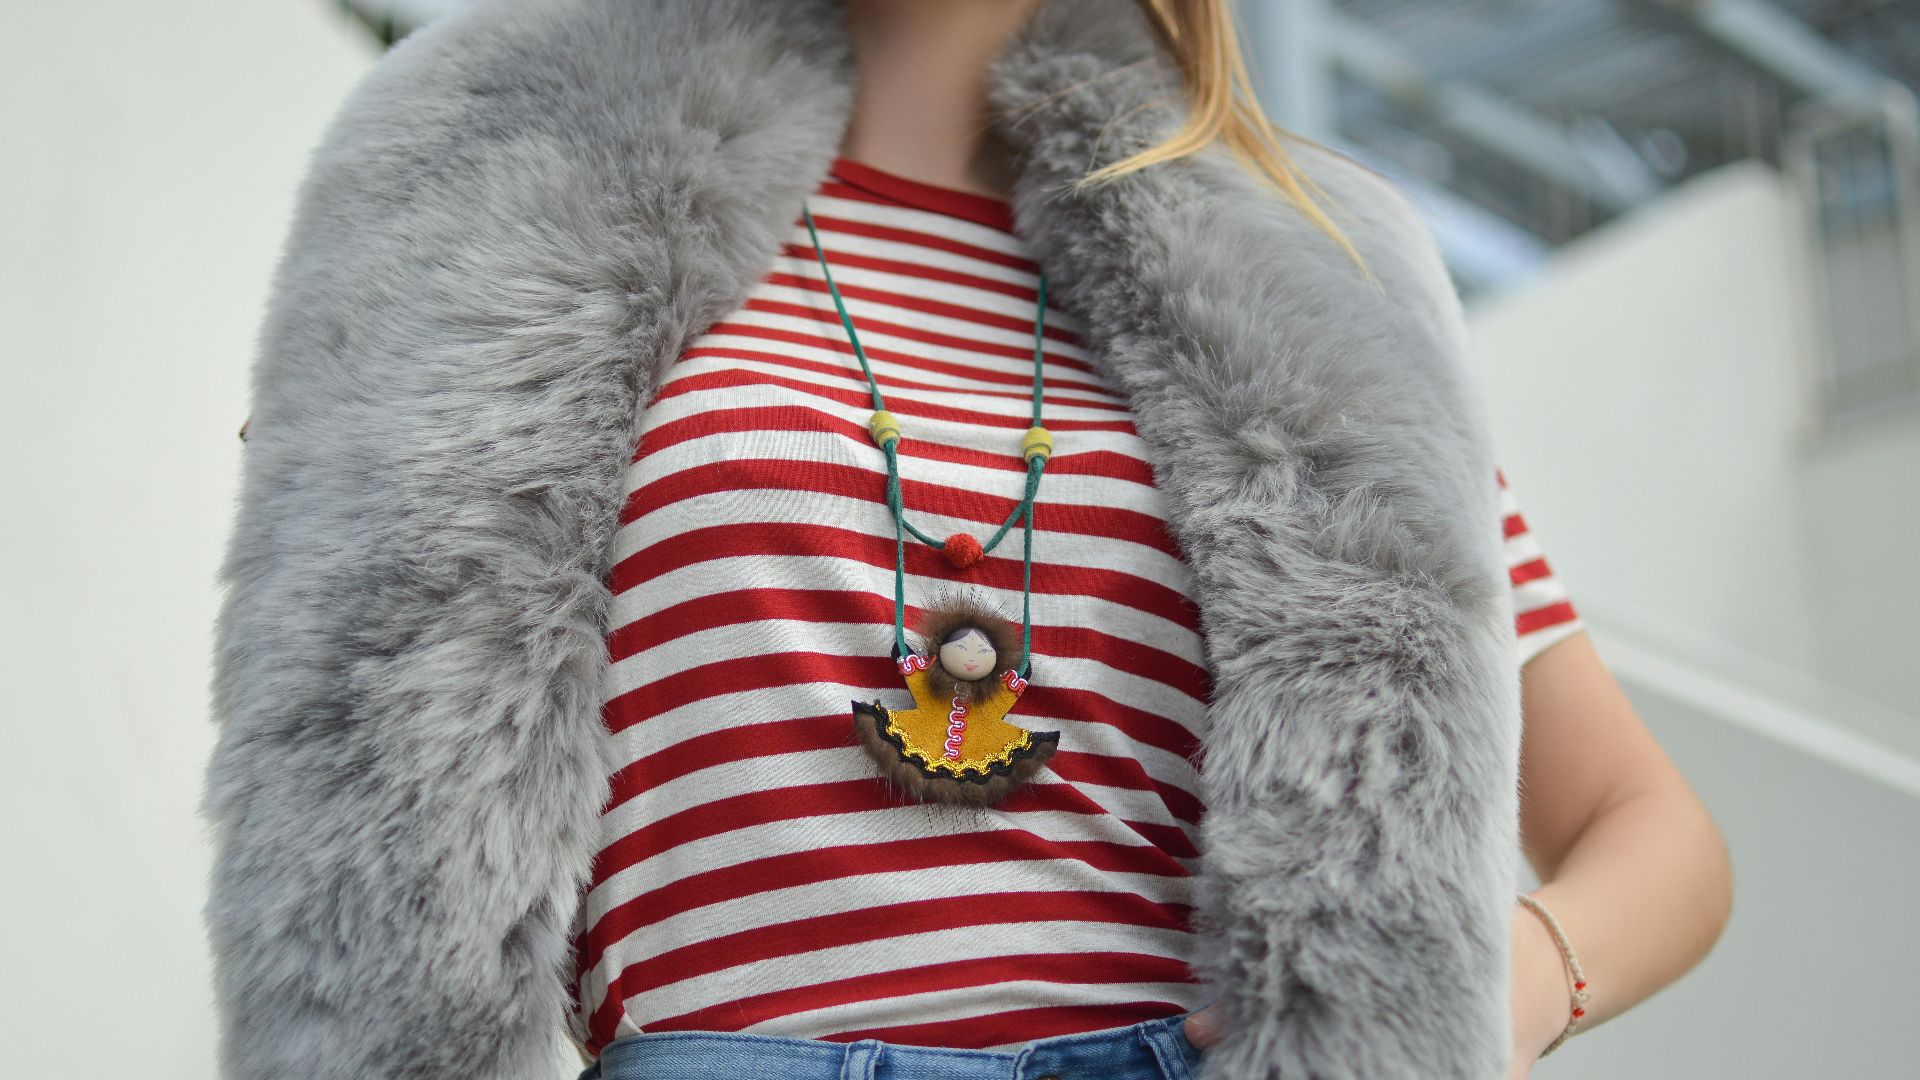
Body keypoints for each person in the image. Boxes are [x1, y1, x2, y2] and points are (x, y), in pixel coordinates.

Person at [203, 1, 1733, 1079]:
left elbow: (1652, 830)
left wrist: (1505, 987)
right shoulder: (492, 197)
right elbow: (360, 742)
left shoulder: (1319, 288)